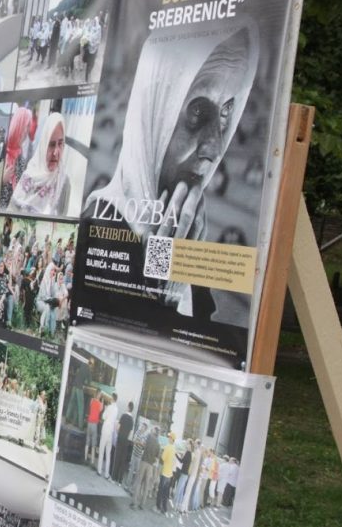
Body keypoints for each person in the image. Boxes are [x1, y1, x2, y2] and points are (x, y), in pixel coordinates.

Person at [82, 20, 259, 318]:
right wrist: (166, 291)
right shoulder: (98, 232)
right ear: (155, 112)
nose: (215, 149)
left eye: (228, 112)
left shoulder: (183, 234)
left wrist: (177, 271)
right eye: (198, 113)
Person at [10, 111, 70, 216]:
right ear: (43, 145)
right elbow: (10, 215)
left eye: (60, 144)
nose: (56, 152)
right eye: (51, 145)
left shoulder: (63, 182)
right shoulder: (29, 176)